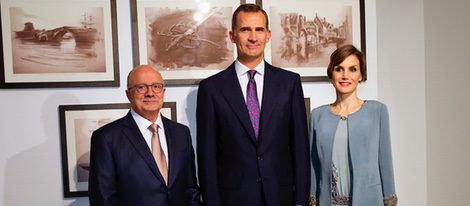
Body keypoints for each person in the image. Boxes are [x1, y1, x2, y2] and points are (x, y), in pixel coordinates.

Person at [196, 4, 310, 206]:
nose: (253, 37)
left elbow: (300, 147)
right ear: (232, 35)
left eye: (259, 30)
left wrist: (301, 200)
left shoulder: (290, 83)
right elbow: (207, 157)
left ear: (268, 35)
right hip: (233, 199)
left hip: (281, 197)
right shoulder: (211, 89)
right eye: (245, 29)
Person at [88, 65, 201, 206]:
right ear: (128, 94)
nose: (150, 93)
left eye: (156, 86)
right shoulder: (106, 138)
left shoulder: (181, 133)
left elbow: (190, 188)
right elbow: (103, 199)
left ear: (163, 92)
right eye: (141, 87)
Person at [309, 45, 397, 206]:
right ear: (331, 73)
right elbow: (313, 165)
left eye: (353, 69)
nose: (345, 76)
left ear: (361, 74)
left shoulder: (377, 111)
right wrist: (312, 199)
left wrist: (389, 200)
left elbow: (385, 162)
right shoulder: (317, 115)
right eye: (339, 69)